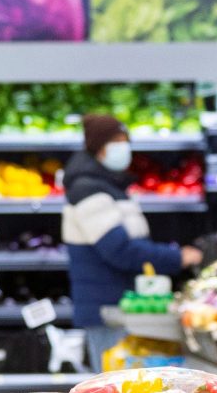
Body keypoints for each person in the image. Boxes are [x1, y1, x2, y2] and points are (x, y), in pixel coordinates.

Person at [62, 114, 202, 370]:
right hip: (106, 309)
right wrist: (176, 258)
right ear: (99, 147)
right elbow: (119, 250)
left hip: (120, 306)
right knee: (110, 392)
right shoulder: (88, 190)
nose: (124, 147)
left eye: (125, 140)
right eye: (117, 140)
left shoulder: (107, 185)